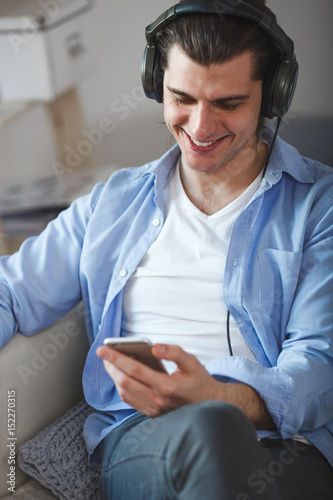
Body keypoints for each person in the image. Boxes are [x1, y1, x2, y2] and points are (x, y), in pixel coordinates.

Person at [0, 0, 332, 498]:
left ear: (273, 95)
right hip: (146, 436)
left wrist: (222, 396)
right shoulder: (113, 203)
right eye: (183, 98)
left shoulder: (318, 205)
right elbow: (12, 291)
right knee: (210, 431)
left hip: (286, 445)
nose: (199, 130)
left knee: (219, 424)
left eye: (228, 103)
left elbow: (318, 362)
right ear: (157, 83)